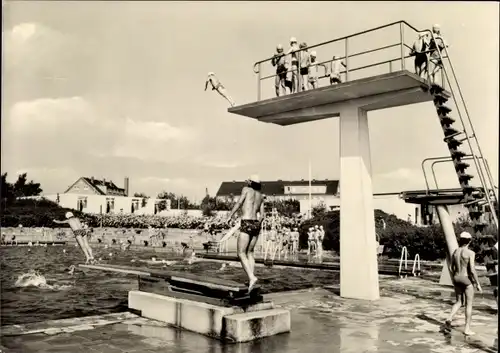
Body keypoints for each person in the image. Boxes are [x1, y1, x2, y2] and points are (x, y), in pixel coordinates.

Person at [226, 175, 264, 292]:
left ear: (250, 182)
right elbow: (262, 215)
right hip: (256, 224)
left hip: (246, 221)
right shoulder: (261, 196)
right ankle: (251, 279)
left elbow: (239, 203)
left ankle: (252, 277)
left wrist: (230, 215)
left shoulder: (246, 190)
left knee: (241, 253)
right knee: (250, 252)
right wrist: (257, 224)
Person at [445, 231, 482, 336]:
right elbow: (473, 270)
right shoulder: (470, 253)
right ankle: (467, 329)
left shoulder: (456, 252)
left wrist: (455, 276)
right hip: (466, 279)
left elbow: (451, 267)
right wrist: (477, 284)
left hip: (456, 277)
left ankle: (449, 318)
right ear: (469, 241)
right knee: (469, 305)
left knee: (459, 302)